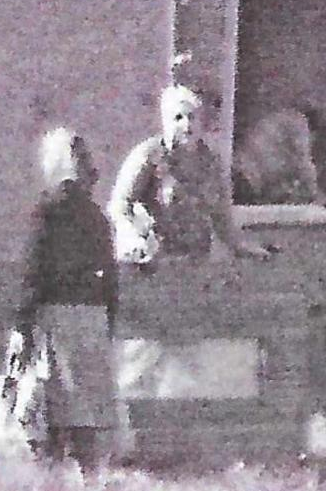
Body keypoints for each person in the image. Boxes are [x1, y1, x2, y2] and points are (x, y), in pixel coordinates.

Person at [14, 128, 122, 467]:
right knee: (85, 412)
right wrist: (107, 321)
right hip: (92, 317)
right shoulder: (97, 218)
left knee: (50, 409)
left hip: (57, 318)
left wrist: (22, 323)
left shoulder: (46, 212)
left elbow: (33, 272)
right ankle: (89, 478)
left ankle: (52, 479)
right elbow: (110, 278)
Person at [110, 84, 270, 264]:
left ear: (202, 121)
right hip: (154, 260)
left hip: (195, 260)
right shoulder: (150, 155)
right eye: (178, 117)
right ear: (166, 121)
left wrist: (244, 247)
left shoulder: (210, 162)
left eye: (192, 117)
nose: (186, 124)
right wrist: (132, 235)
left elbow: (222, 218)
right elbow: (120, 205)